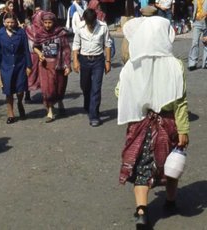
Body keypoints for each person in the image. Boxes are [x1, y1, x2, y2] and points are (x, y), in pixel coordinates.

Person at [117, 16, 189, 228]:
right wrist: (184, 129)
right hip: (168, 123)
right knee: (171, 164)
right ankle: (170, 201)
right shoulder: (176, 65)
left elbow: (119, 92)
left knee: (141, 166)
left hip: (139, 123)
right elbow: (180, 102)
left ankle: (141, 210)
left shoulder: (132, 65)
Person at [72, 9, 112, 127]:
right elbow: (76, 44)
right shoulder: (80, 27)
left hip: (98, 61)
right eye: (88, 23)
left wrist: (108, 61)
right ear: (85, 20)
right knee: (85, 86)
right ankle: (88, 103)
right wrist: (75, 61)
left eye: (92, 22)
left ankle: (94, 115)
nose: (90, 25)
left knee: (96, 88)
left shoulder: (103, 27)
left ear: (95, 19)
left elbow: (107, 44)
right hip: (84, 60)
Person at [0, 12, 32, 124]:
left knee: (20, 90)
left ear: (15, 22)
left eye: (12, 22)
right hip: (6, 66)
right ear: (4, 22)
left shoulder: (21, 33)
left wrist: (29, 65)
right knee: (8, 91)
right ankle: (10, 113)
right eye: (7, 22)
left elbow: (26, 50)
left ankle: (20, 102)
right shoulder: (0, 34)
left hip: (20, 65)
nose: (10, 24)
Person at [32, 11, 71, 122]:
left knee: (59, 87)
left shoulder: (61, 33)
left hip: (59, 65)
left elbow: (66, 49)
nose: (48, 25)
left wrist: (68, 65)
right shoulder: (39, 33)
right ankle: (50, 111)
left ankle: (60, 102)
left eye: (50, 22)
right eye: (45, 22)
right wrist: (40, 54)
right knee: (48, 89)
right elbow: (35, 46)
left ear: (54, 22)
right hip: (45, 65)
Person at [187, 0, 207, 70]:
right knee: (194, 42)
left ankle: (205, 63)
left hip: (206, 22)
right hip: (197, 22)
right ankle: (192, 63)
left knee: (206, 42)